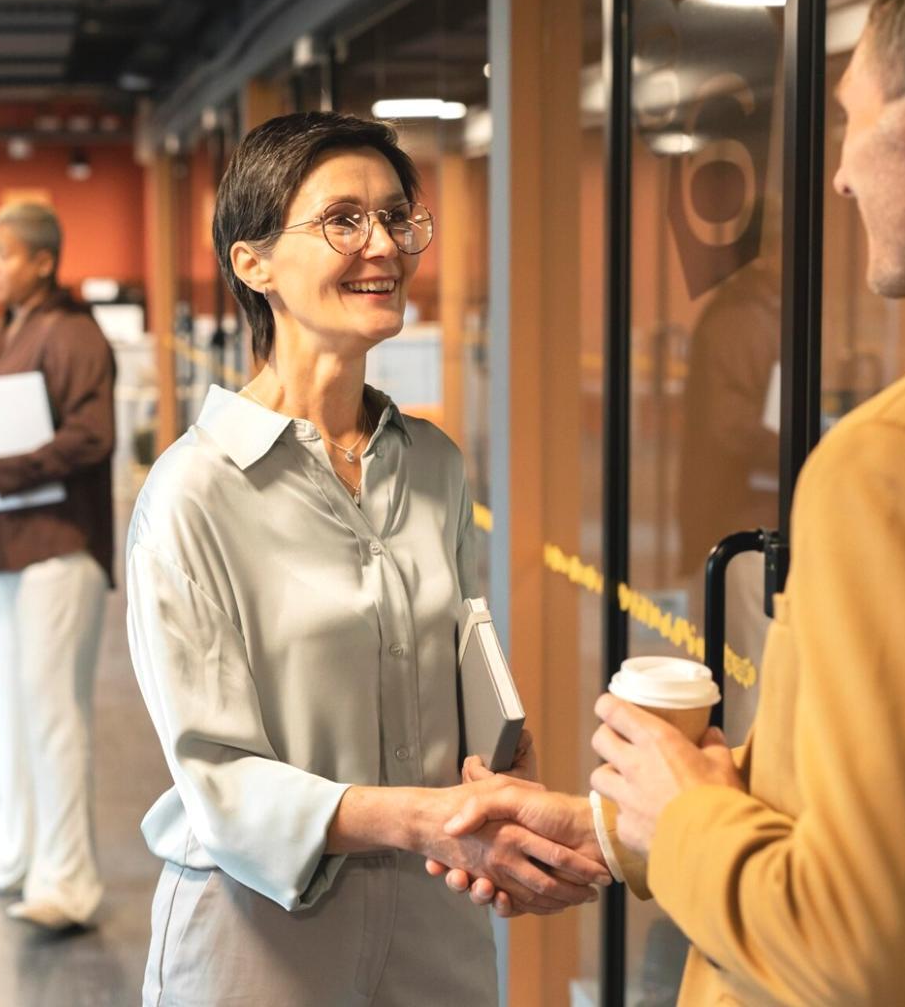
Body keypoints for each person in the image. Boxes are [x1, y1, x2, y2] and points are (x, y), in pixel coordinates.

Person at [452, 0, 905, 1002]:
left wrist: (680, 816)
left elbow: (869, 950)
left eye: (851, 118)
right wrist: (615, 829)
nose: (841, 176)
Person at [125, 111, 611, 1005]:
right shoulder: (193, 493)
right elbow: (219, 782)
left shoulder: (431, 463)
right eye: (342, 220)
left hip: (435, 926)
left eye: (397, 216)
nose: (383, 244)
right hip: (258, 939)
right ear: (252, 262)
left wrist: (500, 791)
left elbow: (463, 667)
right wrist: (432, 821)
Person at [0, 201, 116, 930]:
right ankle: (14, 853)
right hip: (2, 551)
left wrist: (2, 472)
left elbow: (92, 437)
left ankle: (68, 882)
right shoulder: (2, 332)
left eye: (4, 254)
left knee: (52, 717)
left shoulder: (74, 335)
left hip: (57, 550)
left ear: (43, 262)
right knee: (6, 710)